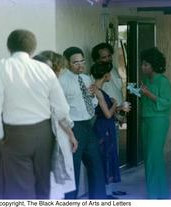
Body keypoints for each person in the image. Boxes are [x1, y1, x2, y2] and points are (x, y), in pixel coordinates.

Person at [0, 29, 71, 199]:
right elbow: (62, 108)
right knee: (43, 185)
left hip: (15, 134)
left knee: (19, 189)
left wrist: (1, 135)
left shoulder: (2, 67)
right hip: (44, 133)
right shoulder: (44, 69)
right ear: (33, 49)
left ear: (9, 47)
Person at [59, 46, 106, 199]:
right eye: (75, 62)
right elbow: (59, 109)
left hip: (88, 125)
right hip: (73, 128)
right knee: (73, 171)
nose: (80, 65)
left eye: (82, 61)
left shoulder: (86, 78)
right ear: (67, 63)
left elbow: (92, 104)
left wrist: (92, 96)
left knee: (96, 167)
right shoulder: (62, 82)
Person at [33, 53, 78, 198]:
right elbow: (61, 113)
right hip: (54, 134)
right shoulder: (51, 85)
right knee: (55, 182)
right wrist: (71, 135)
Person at [91, 42, 127, 197]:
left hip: (113, 119)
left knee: (112, 155)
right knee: (105, 156)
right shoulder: (96, 79)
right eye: (103, 57)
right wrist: (116, 108)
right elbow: (104, 107)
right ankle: (104, 191)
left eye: (108, 56)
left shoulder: (113, 72)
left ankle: (110, 189)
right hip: (105, 122)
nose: (107, 59)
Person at [139, 47, 171, 199]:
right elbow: (147, 98)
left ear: (154, 65)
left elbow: (165, 103)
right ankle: (158, 193)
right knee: (149, 157)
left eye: (146, 64)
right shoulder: (146, 80)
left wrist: (148, 94)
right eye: (142, 64)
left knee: (154, 156)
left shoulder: (164, 82)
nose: (142, 67)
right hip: (146, 118)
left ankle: (155, 195)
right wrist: (140, 93)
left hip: (159, 121)